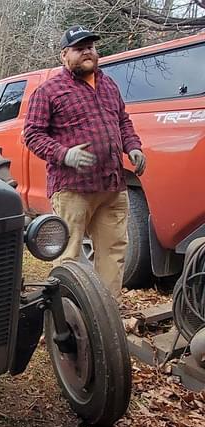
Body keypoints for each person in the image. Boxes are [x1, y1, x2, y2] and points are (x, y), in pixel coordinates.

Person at [24, 25, 146, 301]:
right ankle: (67, 317)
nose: (87, 52)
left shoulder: (108, 84)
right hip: (73, 189)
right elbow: (32, 135)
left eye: (90, 47)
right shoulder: (49, 91)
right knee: (68, 255)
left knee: (113, 254)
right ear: (64, 56)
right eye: (79, 49)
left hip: (112, 186)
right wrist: (64, 154)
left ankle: (106, 317)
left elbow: (123, 121)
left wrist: (134, 147)